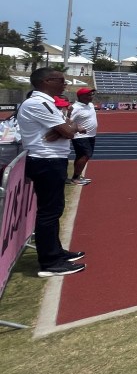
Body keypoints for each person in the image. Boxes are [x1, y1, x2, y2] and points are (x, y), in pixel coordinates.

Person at [19, 68, 87, 277]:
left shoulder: (47, 103)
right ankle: (50, 262)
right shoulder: (37, 103)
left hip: (52, 159)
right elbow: (68, 131)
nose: (65, 84)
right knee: (49, 211)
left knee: (54, 209)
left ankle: (56, 252)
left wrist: (66, 128)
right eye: (61, 80)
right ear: (47, 81)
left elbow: (64, 129)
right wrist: (70, 128)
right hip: (45, 161)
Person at [68, 87, 99, 185]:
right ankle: (75, 178)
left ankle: (78, 175)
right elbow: (68, 121)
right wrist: (77, 127)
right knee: (84, 155)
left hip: (91, 135)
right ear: (82, 96)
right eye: (89, 95)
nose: (91, 96)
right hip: (80, 136)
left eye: (92, 94)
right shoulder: (76, 108)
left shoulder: (90, 105)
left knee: (84, 155)